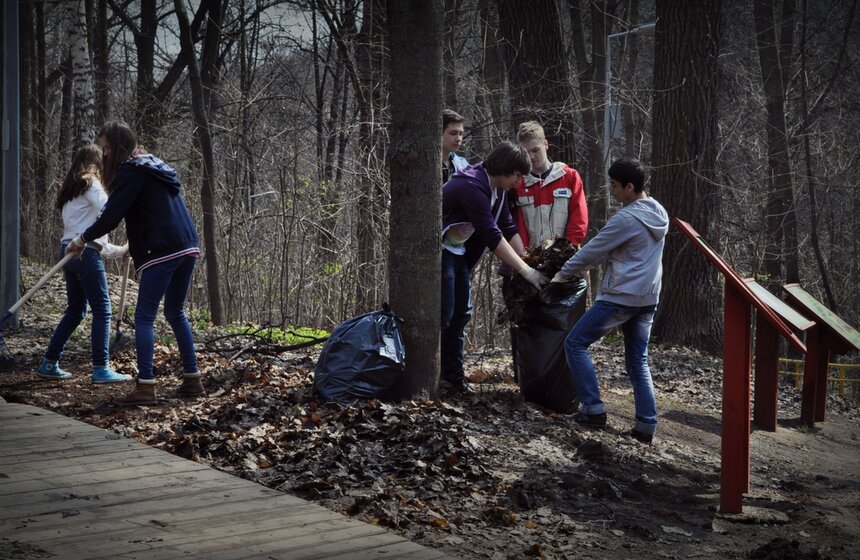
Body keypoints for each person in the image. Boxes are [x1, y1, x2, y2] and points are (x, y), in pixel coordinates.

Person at [67, 121, 203, 406]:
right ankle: (193, 379)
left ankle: (146, 386)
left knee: (144, 317)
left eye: (106, 148)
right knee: (175, 311)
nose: (103, 155)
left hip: (162, 249)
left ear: (117, 148)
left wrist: (81, 239)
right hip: (187, 244)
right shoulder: (153, 166)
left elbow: (110, 217)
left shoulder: (132, 171)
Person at [551, 157, 668, 443]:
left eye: (615, 185)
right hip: (647, 298)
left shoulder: (626, 219)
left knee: (575, 343)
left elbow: (594, 249)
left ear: (630, 187)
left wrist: (562, 274)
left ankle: (592, 409)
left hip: (621, 297)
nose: (612, 190)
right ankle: (646, 424)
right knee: (638, 361)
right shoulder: (658, 212)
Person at [441, 141, 549, 393]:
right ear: (505, 168)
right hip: (442, 252)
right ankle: (436, 375)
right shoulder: (472, 185)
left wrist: (527, 259)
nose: (519, 182)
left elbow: (507, 226)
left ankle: (454, 379)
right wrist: (525, 271)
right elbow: (491, 235)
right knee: (445, 314)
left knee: (461, 314)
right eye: (517, 175)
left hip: (458, 252)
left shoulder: (497, 189)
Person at [36, 144, 132, 384]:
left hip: (69, 252)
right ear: (96, 163)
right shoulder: (90, 182)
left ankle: (49, 362)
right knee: (102, 309)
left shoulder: (72, 192)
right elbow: (109, 210)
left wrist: (122, 250)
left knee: (76, 310)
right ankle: (101, 368)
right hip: (83, 253)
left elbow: (95, 239)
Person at [511, 121, 588, 250]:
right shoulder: (517, 184)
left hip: (566, 255)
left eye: (535, 150)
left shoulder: (569, 177)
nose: (531, 157)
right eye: (526, 152)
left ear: (545, 144)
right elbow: (516, 227)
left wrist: (565, 251)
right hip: (528, 257)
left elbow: (579, 220)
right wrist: (523, 257)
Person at [442, 109, 469, 184]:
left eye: (461, 134)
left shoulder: (463, 165)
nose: (458, 139)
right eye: (453, 133)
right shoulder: (423, 164)